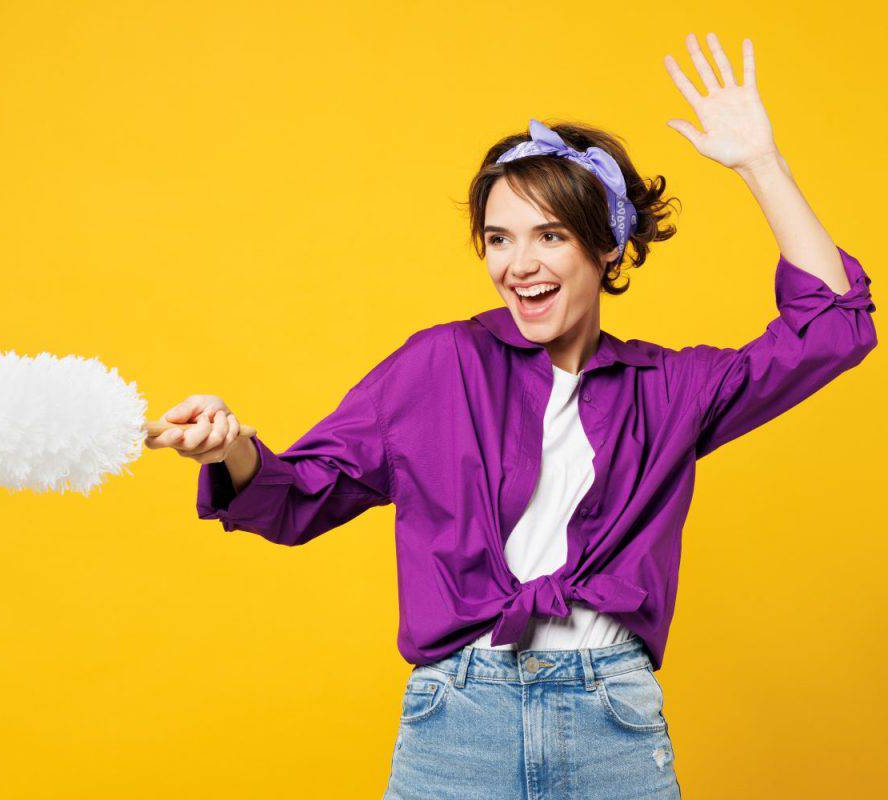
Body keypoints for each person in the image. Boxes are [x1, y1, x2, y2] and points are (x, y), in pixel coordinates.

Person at [143, 32, 876, 800]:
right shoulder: (437, 366)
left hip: (611, 725)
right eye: (499, 238)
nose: (517, 265)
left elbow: (830, 328)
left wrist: (761, 163)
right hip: (457, 720)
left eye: (549, 236)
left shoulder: (670, 388)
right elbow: (299, 494)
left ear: (607, 249)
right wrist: (230, 449)